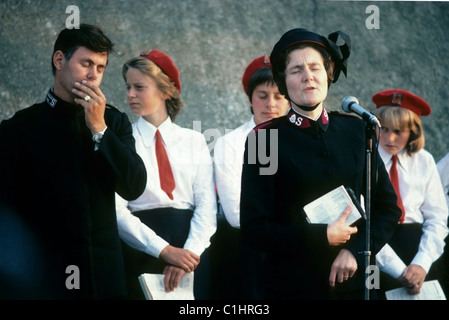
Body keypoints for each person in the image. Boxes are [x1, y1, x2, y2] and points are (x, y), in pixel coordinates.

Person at [239, 27, 402, 300]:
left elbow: (387, 208)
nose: (308, 77)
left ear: (329, 73)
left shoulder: (356, 130)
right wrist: (321, 236)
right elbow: (255, 229)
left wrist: (356, 250)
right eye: (296, 70)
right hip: (293, 285)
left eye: (315, 67)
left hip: (357, 284)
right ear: (283, 82)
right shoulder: (262, 141)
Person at [0, 24, 147, 299]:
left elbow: (134, 186)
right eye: (86, 63)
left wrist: (100, 130)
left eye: (100, 68)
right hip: (48, 274)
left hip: (104, 275)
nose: (93, 75)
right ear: (59, 60)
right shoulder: (19, 129)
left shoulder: (114, 122)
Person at [116, 49, 217, 300]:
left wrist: (186, 256)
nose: (130, 94)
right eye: (128, 86)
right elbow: (116, 210)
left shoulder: (194, 140)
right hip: (141, 246)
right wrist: (164, 251)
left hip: (191, 247)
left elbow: (207, 207)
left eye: (139, 87)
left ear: (165, 90)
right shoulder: (121, 142)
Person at [210, 55, 289, 299]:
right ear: (250, 99)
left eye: (279, 96)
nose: (271, 104)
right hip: (250, 252)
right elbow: (235, 214)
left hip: (297, 251)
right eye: (262, 95)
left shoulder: (301, 141)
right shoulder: (231, 144)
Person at [372, 89, 449, 298]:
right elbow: (364, 221)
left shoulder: (424, 161)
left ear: (413, 131)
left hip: (420, 251)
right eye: (384, 129)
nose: (389, 138)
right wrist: (398, 270)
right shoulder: (366, 159)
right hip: (378, 250)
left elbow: (437, 218)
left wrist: (422, 264)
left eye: (399, 131)